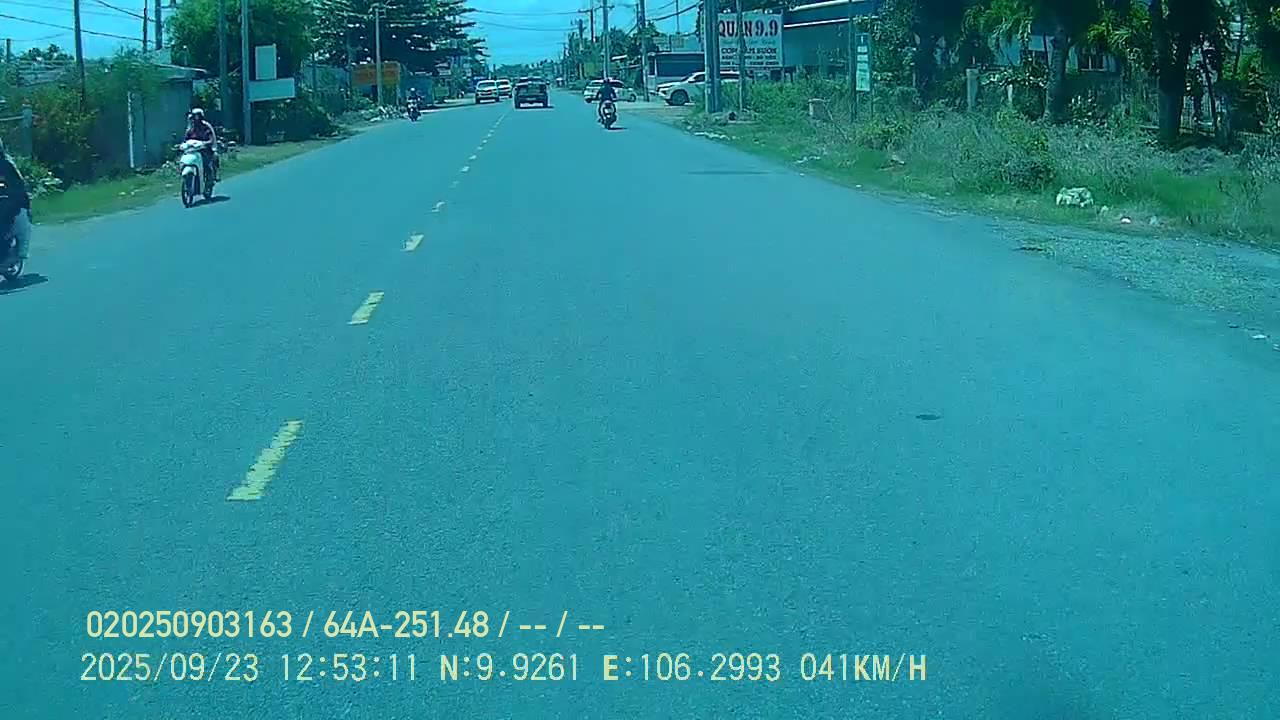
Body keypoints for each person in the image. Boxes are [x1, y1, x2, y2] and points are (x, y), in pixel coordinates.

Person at [0, 138, 32, 266]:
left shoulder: (6, 163)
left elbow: (17, 184)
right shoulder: (6, 162)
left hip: (11, 203)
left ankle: (10, 257)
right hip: (9, 201)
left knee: (19, 224)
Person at [184, 108, 219, 181]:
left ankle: (210, 178)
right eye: (194, 116)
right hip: (193, 151)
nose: (196, 119)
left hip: (205, 150)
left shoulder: (206, 127)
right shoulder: (191, 128)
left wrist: (205, 143)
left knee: (206, 163)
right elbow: (186, 139)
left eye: (198, 116)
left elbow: (211, 139)